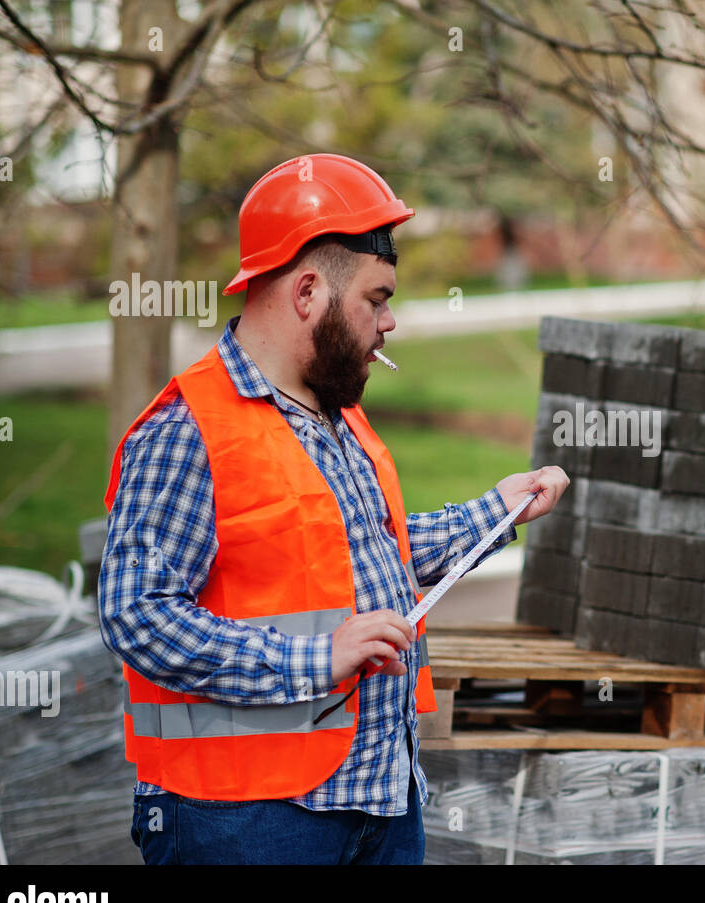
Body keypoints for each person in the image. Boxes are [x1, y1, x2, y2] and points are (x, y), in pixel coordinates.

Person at [97, 153, 568, 865]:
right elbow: (137, 612)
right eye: (376, 300)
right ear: (309, 291)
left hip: (378, 802)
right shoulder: (190, 428)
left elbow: (365, 552)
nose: (390, 322)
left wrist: (494, 513)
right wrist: (315, 659)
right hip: (251, 822)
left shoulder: (335, 413)